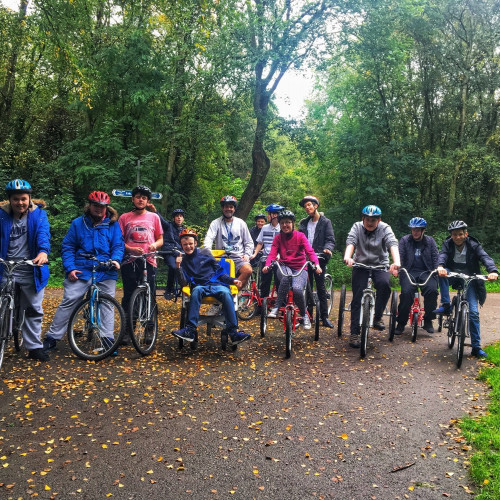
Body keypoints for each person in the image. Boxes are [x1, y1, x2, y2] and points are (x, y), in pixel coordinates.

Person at [43, 191, 123, 352]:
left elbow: (118, 245)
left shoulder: (113, 225)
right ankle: (52, 337)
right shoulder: (78, 223)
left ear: (107, 207)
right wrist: (70, 268)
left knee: (107, 302)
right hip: (82, 268)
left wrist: (115, 259)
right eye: (96, 206)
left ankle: (108, 338)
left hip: (105, 268)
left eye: (102, 206)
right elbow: (68, 247)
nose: (99, 209)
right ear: (89, 206)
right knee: (70, 299)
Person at [171, 229, 251, 345]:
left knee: (225, 293)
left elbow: (220, 272)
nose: (188, 247)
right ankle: (190, 330)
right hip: (199, 286)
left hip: (216, 284)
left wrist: (233, 280)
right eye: (185, 244)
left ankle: (233, 333)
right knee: (196, 291)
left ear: (195, 243)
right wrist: (178, 267)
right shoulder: (183, 261)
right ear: (181, 245)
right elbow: (183, 283)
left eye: (190, 244)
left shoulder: (205, 253)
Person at [0, 179, 50, 361]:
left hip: (31, 267)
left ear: (29, 199)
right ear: (9, 200)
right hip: (5, 267)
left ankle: (34, 347)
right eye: (15, 199)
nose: (20, 203)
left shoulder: (39, 215)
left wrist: (43, 252)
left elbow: (43, 234)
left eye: (23, 199)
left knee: (33, 308)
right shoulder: (2, 215)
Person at [434, 220, 498, 358]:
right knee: (442, 273)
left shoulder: (474, 245)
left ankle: (476, 347)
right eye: (454, 234)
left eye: (460, 234)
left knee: (473, 312)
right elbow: (443, 255)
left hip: (470, 278)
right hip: (453, 274)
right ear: (451, 235)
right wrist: (440, 266)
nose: (457, 237)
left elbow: (484, 257)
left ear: (466, 234)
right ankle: (446, 305)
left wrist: (492, 271)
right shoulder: (448, 244)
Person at [343, 205, 400, 348]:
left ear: (379, 220)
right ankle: (354, 333)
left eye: (373, 220)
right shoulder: (356, 227)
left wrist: (396, 262)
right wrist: (348, 257)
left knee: (384, 285)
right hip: (360, 264)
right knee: (357, 298)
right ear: (363, 219)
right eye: (367, 219)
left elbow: (392, 244)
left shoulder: (385, 228)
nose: (370, 222)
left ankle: (378, 316)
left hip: (380, 265)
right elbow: (351, 242)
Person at [262, 209, 321, 330]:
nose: (285, 225)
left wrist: (317, 265)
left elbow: (310, 252)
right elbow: (272, 254)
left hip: (300, 268)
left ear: (293, 223)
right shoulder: (278, 238)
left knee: (297, 289)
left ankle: (304, 315)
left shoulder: (300, 236)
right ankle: (277, 307)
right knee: (285, 279)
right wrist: (267, 265)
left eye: (288, 222)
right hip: (284, 266)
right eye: (282, 223)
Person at [118, 185, 163, 341]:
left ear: (147, 201)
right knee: (129, 296)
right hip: (129, 261)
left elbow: (160, 239)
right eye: (138, 197)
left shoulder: (154, 217)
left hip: (149, 260)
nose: (140, 200)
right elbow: (118, 241)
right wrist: (130, 248)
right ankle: (127, 330)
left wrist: (154, 246)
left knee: (149, 294)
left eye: (144, 198)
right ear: (133, 199)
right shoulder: (124, 217)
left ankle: (149, 329)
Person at [395, 217, 438, 335]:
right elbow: (400, 256)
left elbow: (435, 257)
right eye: (413, 230)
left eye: (418, 230)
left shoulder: (430, 241)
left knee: (432, 291)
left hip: (427, 272)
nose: (415, 232)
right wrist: (398, 268)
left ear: (423, 230)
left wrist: (437, 269)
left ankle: (428, 320)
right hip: (409, 272)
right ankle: (401, 323)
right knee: (406, 293)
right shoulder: (405, 240)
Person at [298, 195, 336, 328]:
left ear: (316, 206)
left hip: (319, 258)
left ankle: (324, 317)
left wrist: (327, 248)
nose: (307, 207)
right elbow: (298, 239)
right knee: (306, 287)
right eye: (305, 206)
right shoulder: (303, 223)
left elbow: (330, 239)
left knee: (320, 287)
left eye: (309, 204)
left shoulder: (326, 222)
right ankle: (308, 315)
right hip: (305, 259)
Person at [203, 195, 253, 289]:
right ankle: (221, 295)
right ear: (222, 208)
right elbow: (209, 239)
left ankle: (232, 295)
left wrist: (247, 254)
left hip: (238, 256)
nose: (228, 209)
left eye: (231, 207)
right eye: (226, 206)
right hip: (221, 256)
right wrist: (207, 252)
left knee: (248, 270)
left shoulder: (241, 223)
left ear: (234, 209)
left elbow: (249, 242)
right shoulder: (215, 223)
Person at [250, 203, 284, 299]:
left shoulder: (282, 228)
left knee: (279, 281)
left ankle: (281, 304)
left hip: (279, 259)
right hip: (266, 258)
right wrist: (255, 253)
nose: (267, 216)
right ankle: (262, 304)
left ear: (274, 215)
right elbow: (260, 243)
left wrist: (280, 255)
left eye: (268, 214)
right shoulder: (264, 228)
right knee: (264, 282)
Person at [158, 208, 186, 300]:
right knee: (173, 267)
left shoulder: (185, 230)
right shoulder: (168, 226)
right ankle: (169, 289)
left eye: (181, 216)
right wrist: (154, 211)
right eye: (177, 216)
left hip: (180, 253)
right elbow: (161, 219)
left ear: (183, 219)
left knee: (188, 267)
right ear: (174, 218)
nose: (179, 218)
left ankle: (187, 287)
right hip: (169, 252)